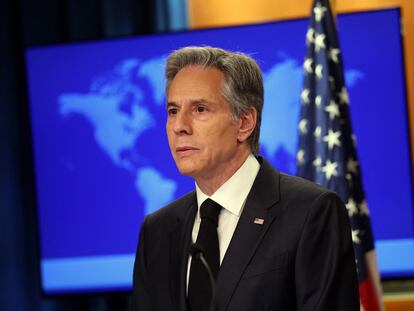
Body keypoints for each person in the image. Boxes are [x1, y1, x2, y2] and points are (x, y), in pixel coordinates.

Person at [132, 46, 359, 311]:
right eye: (173, 110)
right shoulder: (158, 230)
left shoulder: (311, 212)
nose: (180, 126)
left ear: (244, 123)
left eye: (200, 109)